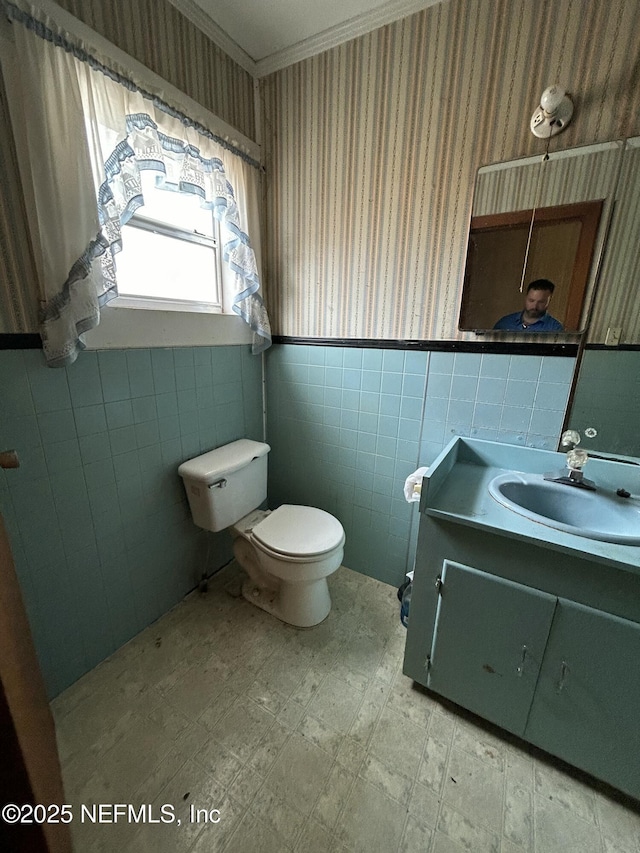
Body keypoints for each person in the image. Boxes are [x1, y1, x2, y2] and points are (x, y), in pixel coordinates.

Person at [493, 279, 564, 332]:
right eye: (531, 300)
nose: (534, 306)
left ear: (548, 302)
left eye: (541, 302)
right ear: (525, 298)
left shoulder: (555, 329)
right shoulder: (505, 323)